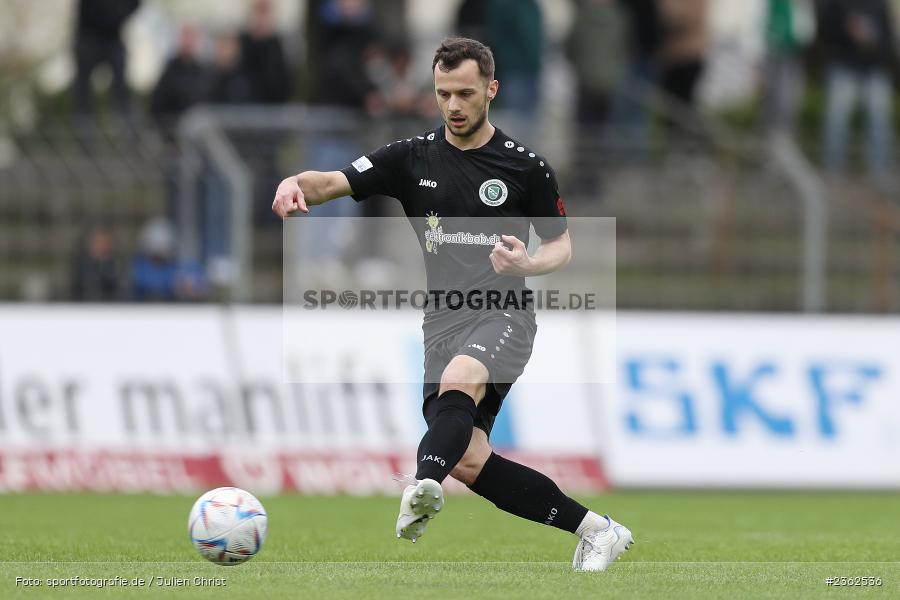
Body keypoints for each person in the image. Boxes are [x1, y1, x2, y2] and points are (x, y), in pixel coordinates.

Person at [272, 37, 634, 572]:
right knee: (469, 459)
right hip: (440, 320)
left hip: (504, 313)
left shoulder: (525, 167)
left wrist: (528, 265)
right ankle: (597, 531)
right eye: (443, 94)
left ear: (491, 89)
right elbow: (331, 182)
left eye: (465, 93)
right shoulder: (409, 157)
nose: (454, 106)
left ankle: (421, 486)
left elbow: (560, 244)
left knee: (460, 380)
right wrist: (291, 183)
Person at [819, 0, 896, 178]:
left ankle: (880, 170)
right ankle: (833, 168)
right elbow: (824, 32)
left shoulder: (879, 4)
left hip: (874, 69)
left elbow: (888, 35)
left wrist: (875, 42)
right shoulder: (835, 4)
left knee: (879, 122)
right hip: (843, 66)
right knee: (836, 120)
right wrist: (846, 30)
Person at [72, 0, 140, 125]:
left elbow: (135, 4)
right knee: (82, 86)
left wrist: (118, 15)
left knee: (121, 80)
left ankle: (127, 123)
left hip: (113, 36)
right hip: (88, 34)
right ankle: (84, 125)